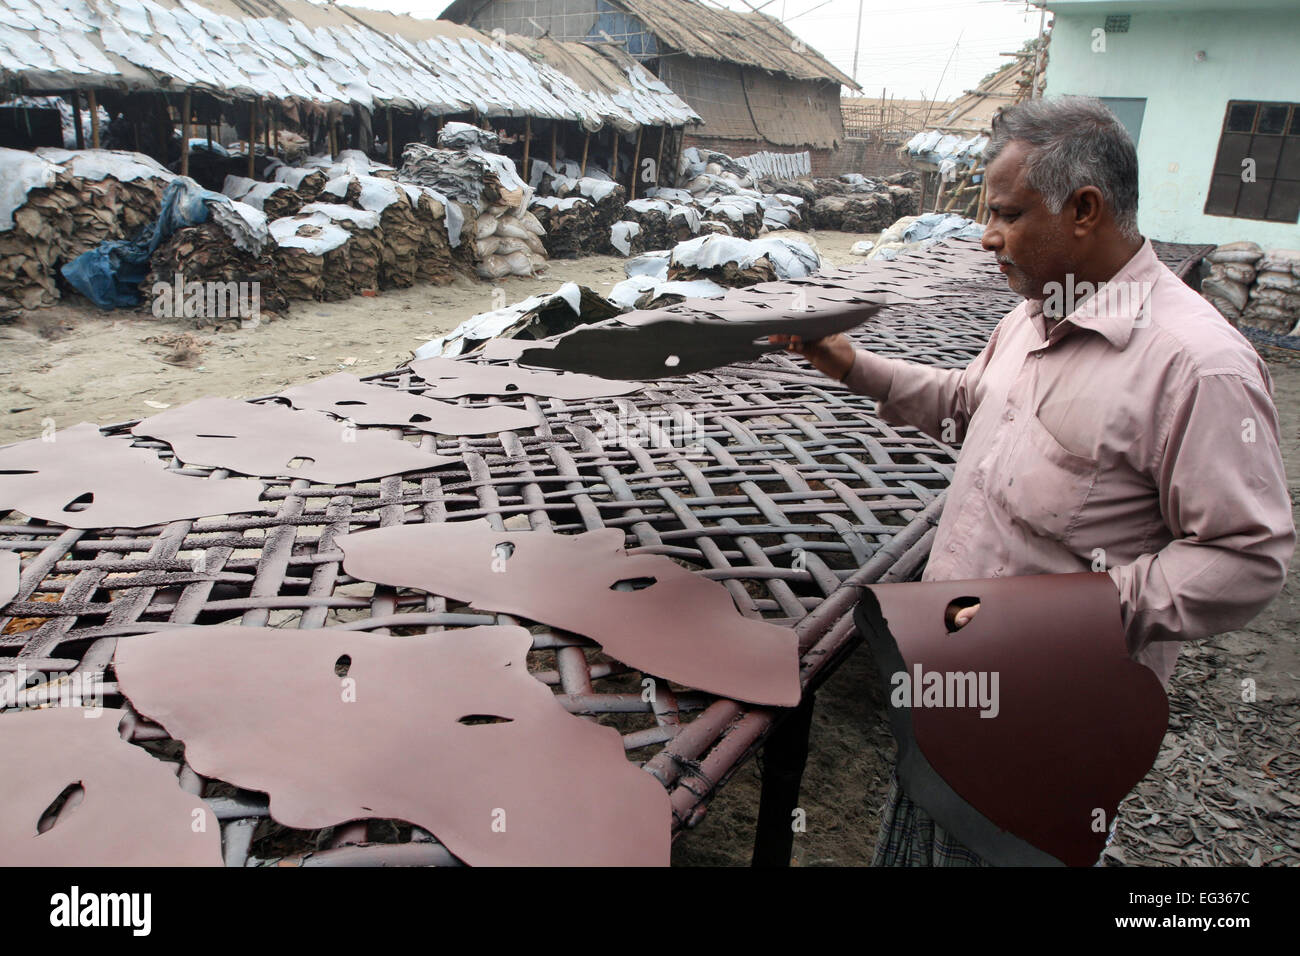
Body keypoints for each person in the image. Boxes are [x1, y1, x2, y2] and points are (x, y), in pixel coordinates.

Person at [774, 96, 1295, 866]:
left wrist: (1065, 616)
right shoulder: (1032, 315)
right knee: (917, 837)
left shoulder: (1196, 365)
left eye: (1007, 214)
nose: (986, 237)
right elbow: (968, 406)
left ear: (1084, 209)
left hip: (1045, 722)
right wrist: (852, 365)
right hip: (950, 677)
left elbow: (1247, 558)